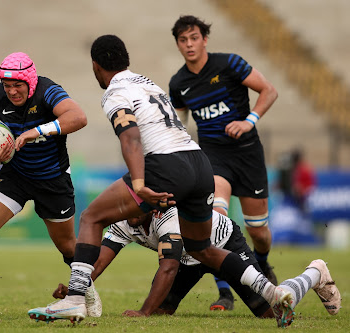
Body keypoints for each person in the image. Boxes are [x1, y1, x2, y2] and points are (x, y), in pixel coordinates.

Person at [28, 34, 298, 327]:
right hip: (199, 162)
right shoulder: (147, 82)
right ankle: (272, 290)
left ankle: (75, 300)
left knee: (92, 217)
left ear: (96, 66)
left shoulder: (114, 92)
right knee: (201, 249)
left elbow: (130, 137)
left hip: (165, 164)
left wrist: (140, 183)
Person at [0, 52, 88, 319]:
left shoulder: (48, 91)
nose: (11, 91)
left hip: (52, 178)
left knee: (68, 246)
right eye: (7, 85)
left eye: (17, 85)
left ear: (30, 81)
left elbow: (79, 117)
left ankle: (85, 292)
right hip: (15, 176)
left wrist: (36, 131)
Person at [52, 208, 341, 327]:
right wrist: (79, 284)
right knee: (163, 311)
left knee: (271, 314)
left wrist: (143, 311)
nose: (129, 215)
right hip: (188, 257)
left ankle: (315, 272)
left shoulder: (168, 217)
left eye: (134, 211)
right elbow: (101, 257)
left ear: (152, 210)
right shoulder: (127, 216)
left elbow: (167, 268)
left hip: (223, 245)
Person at [168, 15, 279, 311]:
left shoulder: (229, 63)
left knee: (259, 231)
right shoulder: (179, 83)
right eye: (183, 40)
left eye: (194, 38)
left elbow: (269, 90)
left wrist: (248, 121)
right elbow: (180, 126)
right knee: (215, 221)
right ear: (178, 44)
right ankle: (225, 293)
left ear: (204, 39)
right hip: (213, 159)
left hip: (248, 155)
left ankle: (263, 263)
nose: (189, 44)